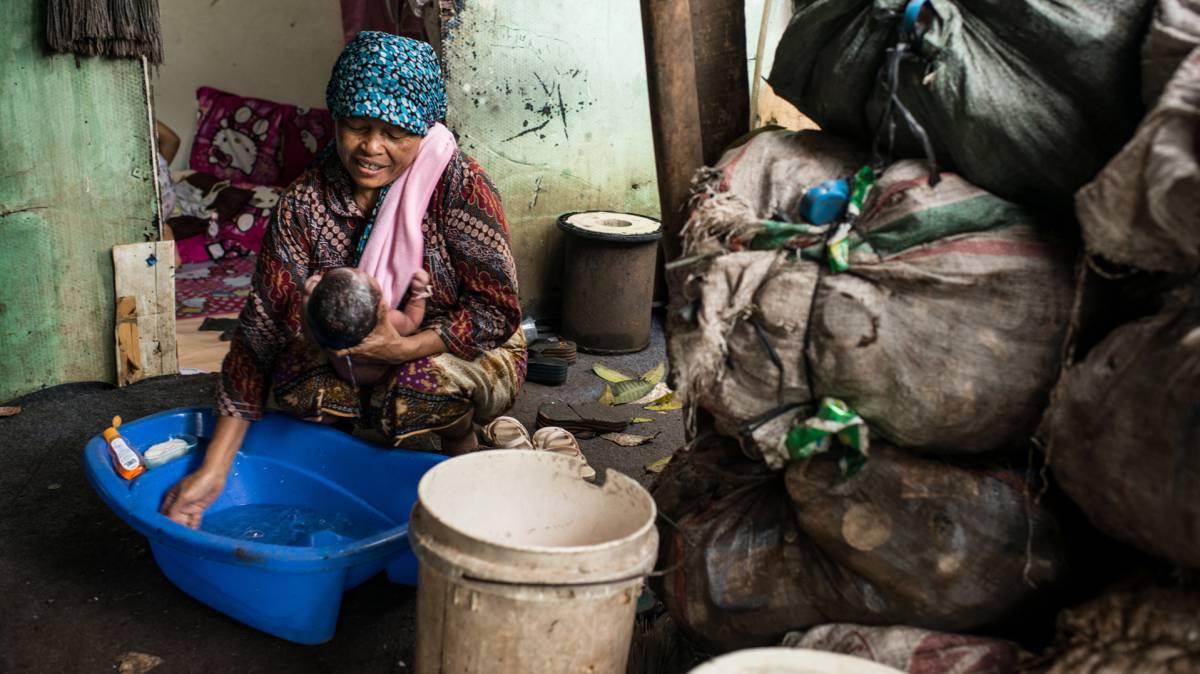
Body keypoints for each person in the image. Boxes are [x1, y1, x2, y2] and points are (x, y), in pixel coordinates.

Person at [161, 32, 526, 529]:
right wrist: (215, 470)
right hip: (345, 347)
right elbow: (260, 331)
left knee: (419, 390)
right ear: (335, 118)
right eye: (356, 126)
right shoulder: (306, 202)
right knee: (298, 379)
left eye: (395, 133)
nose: (371, 149)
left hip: (459, 345)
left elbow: (497, 312)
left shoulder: (458, 186)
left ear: (424, 129)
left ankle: (462, 445)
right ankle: (347, 471)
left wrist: (400, 348)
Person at [305, 266, 432, 385]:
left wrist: (307, 296)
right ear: (383, 308)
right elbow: (413, 321)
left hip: (343, 373)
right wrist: (418, 293)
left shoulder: (323, 325)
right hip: (381, 377)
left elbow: (308, 333)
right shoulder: (391, 321)